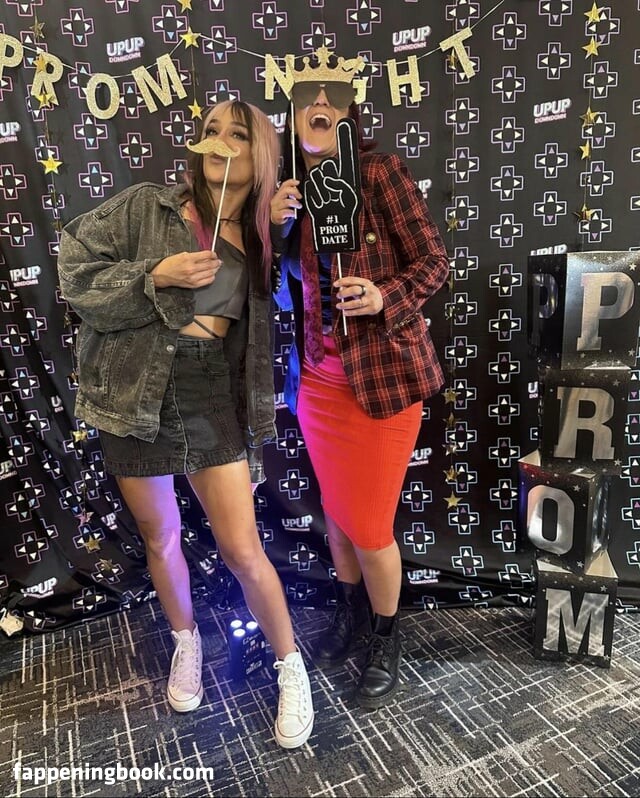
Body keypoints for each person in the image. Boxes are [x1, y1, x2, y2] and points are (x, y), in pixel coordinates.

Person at [57, 100, 314, 749]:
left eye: (238, 134)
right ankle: (186, 641)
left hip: (207, 388)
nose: (220, 141)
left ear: (261, 153)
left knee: (242, 550)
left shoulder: (263, 234)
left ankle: (291, 666)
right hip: (134, 388)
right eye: (210, 131)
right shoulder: (150, 207)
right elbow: (74, 269)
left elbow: (303, 278)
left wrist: (280, 225)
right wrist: (154, 274)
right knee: (161, 535)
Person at [270, 65, 449, 708]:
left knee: (369, 526)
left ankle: (386, 636)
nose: (320, 102)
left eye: (334, 96)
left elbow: (434, 261)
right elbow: (266, 286)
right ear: (292, 117)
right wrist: (274, 226)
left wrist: (382, 296)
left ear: (349, 116)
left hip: (382, 381)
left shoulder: (379, 173)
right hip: (318, 383)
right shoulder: (288, 193)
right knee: (339, 521)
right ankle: (350, 616)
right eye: (306, 97)